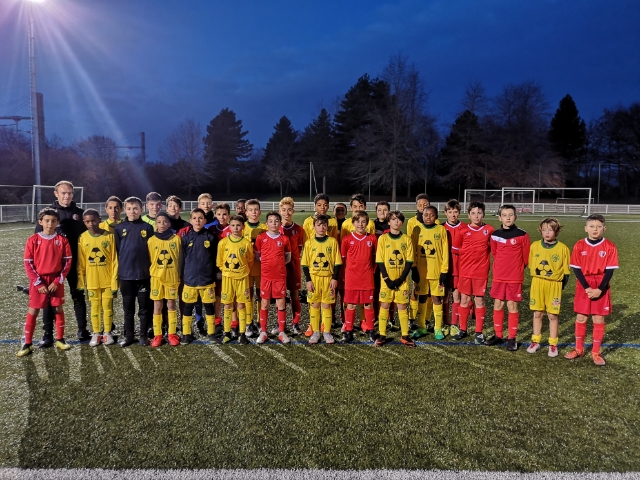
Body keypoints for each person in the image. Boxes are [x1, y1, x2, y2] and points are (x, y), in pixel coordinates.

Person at [36, 180, 88, 346]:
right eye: (63, 193)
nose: (67, 196)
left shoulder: (80, 213)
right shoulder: (49, 214)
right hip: (53, 266)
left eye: (70, 193)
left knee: (78, 295)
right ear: (56, 193)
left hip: (74, 264)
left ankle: (82, 330)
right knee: (50, 299)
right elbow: (38, 240)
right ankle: (48, 335)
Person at [17, 208, 73, 356]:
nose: (50, 224)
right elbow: (28, 263)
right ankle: (27, 343)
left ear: (57, 223)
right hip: (39, 281)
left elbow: (67, 263)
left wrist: (58, 281)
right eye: (47, 221)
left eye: (53, 221)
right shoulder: (33, 240)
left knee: (58, 308)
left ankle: (60, 339)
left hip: (56, 280)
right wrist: (38, 283)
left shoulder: (62, 241)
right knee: (33, 310)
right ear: (40, 222)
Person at [565, 214, 619, 366]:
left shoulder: (610, 246)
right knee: (581, 318)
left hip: (601, 284)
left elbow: (609, 271)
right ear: (586, 228)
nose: (595, 229)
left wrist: (599, 289)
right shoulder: (579, 245)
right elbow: (576, 269)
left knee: (598, 319)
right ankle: (578, 349)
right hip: (584, 285)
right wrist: (588, 288)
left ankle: (596, 352)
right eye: (592, 226)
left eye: (599, 226)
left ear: (604, 228)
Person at [485, 205, 531, 351]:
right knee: (498, 304)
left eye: (511, 215)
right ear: (500, 218)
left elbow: (526, 258)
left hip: (514, 277)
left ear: (515, 217)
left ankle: (512, 337)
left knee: (512, 306)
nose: (508, 217)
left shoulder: (523, 235)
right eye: (505, 215)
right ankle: (498, 335)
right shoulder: (494, 235)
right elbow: (495, 253)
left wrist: (515, 269)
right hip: (499, 276)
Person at [114, 196, 155, 347]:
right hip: (126, 275)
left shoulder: (147, 228)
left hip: (144, 274)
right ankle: (129, 335)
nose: (132, 211)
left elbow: (151, 250)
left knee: (144, 308)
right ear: (125, 209)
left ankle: (143, 335)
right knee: (128, 309)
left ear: (141, 210)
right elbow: (118, 250)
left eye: (136, 208)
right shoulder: (119, 228)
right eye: (129, 208)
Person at [527, 218, 570, 358]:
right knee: (537, 313)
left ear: (556, 231)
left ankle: (553, 344)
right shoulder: (534, 246)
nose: (547, 232)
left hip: (554, 285)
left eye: (550, 230)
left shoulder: (563, 248)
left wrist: (559, 286)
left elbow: (566, 272)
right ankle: (536, 341)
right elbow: (531, 264)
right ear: (540, 230)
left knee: (552, 315)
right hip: (538, 283)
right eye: (544, 229)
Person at [77, 209, 119, 346]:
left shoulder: (109, 236)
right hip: (92, 282)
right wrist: (81, 282)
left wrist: (114, 283)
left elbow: (114, 261)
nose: (91, 224)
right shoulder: (83, 238)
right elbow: (81, 263)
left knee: (107, 307)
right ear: (84, 222)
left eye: (93, 220)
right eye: (87, 221)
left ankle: (107, 333)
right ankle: (96, 333)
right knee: (94, 307)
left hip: (107, 281)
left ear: (99, 220)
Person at [454, 201, 494, 343]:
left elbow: (493, 249)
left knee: (479, 300)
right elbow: (456, 249)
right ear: (468, 214)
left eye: (479, 213)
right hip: (465, 272)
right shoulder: (463, 230)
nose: (476, 216)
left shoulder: (489, 230)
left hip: (480, 272)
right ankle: (463, 329)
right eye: (473, 213)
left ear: (483, 214)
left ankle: (478, 332)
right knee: (464, 300)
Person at [374, 211, 414, 347]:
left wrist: (401, 279)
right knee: (384, 305)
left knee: (402, 305)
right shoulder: (383, 239)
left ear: (402, 223)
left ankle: (405, 335)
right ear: (389, 222)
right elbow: (379, 261)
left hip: (402, 280)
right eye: (393, 219)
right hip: (386, 279)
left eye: (399, 220)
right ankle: (382, 334)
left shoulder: (407, 239)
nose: (396, 222)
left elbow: (409, 261)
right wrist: (387, 279)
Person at [302, 214, 342, 345]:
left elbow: (337, 262)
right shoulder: (309, 243)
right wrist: (308, 280)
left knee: (326, 305)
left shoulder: (332, 242)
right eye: (319, 225)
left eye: (324, 225)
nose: (322, 227)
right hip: (314, 279)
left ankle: (327, 332)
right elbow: (305, 264)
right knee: (314, 305)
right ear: (314, 227)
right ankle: (316, 332)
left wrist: (334, 278)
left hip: (328, 279)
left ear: (327, 227)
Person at [180, 208, 218, 344]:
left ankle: (212, 332)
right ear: (190, 221)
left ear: (205, 220)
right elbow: (182, 259)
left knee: (209, 306)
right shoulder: (185, 239)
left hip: (207, 279)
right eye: (195, 218)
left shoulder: (211, 237)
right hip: (190, 279)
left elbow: (215, 257)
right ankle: (186, 333)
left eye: (200, 218)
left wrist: (216, 272)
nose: (197, 220)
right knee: (188, 307)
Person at [410, 205, 449, 340]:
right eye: (426, 214)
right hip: (421, 273)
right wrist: (414, 268)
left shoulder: (441, 230)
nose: (428, 217)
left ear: (436, 217)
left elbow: (445, 252)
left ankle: (438, 328)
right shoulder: (417, 230)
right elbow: (412, 251)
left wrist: (444, 271)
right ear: (422, 215)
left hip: (436, 273)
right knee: (422, 298)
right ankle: (422, 327)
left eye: (431, 215)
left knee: (436, 299)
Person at [216, 215, 254, 344]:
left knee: (241, 305)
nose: (235, 228)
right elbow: (220, 262)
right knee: (227, 305)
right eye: (232, 225)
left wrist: (241, 271)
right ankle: (227, 333)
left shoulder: (247, 244)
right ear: (229, 227)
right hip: (227, 279)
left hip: (242, 279)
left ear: (243, 227)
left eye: (238, 225)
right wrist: (228, 272)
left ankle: (242, 333)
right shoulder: (223, 243)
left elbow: (250, 260)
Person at [341, 211, 378, 343]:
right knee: (350, 305)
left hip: (367, 278)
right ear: (353, 223)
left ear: (367, 223)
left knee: (368, 305)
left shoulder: (372, 239)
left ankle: (371, 330)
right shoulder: (347, 240)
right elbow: (343, 260)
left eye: (363, 222)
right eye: (358, 222)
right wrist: (346, 274)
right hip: (351, 279)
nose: (361, 224)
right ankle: (349, 331)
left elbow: (376, 258)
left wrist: (371, 271)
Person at [255, 211, 292, 344]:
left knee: (281, 303)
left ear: (280, 223)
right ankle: (263, 331)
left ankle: (281, 332)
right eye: (271, 221)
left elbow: (287, 257)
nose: (274, 223)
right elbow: (257, 255)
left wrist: (278, 266)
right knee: (264, 303)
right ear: (266, 224)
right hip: (266, 277)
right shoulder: (261, 238)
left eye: (276, 221)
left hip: (280, 277)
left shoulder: (284, 239)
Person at [148, 212, 182, 347]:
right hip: (156, 278)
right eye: (159, 222)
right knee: (157, 305)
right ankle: (158, 334)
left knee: (171, 305)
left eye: (165, 222)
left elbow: (179, 259)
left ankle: (172, 333)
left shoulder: (176, 239)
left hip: (172, 277)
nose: (162, 225)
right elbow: (150, 259)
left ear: (169, 224)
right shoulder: (151, 240)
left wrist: (178, 274)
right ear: (155, 224)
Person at [278, 197, 305, 335]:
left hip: (293, 266)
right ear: (280, 211)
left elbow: (300, 248)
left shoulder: (299, 229)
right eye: (284, 210)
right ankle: (281, 324)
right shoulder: (275, 229)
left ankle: (295, 324)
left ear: (293, 211)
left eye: (289, 210)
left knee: (294, 293)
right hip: (279, 268)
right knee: (280, 295)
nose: (286, 213)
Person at [242, 199, 267, 337]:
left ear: (260, 212)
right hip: (246, 269)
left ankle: (259, 322)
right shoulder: (242, 227)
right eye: (250, 210)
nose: (253, 212)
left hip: (262, 268)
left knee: (261, 295)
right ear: (246, 212)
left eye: (256, 209)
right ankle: (248, 322)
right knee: (249, 295)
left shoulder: (265, 227)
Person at [443, 199, 465, 337]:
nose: (453, 215)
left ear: (459, 213)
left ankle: (454, 324)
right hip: (444, 269)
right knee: (444, 297)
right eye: (450, 212)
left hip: (460, 268)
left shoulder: (465, 228)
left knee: (457, 296)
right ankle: (445, 323)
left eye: (455, 212)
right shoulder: (440, 228)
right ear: (445, 213)